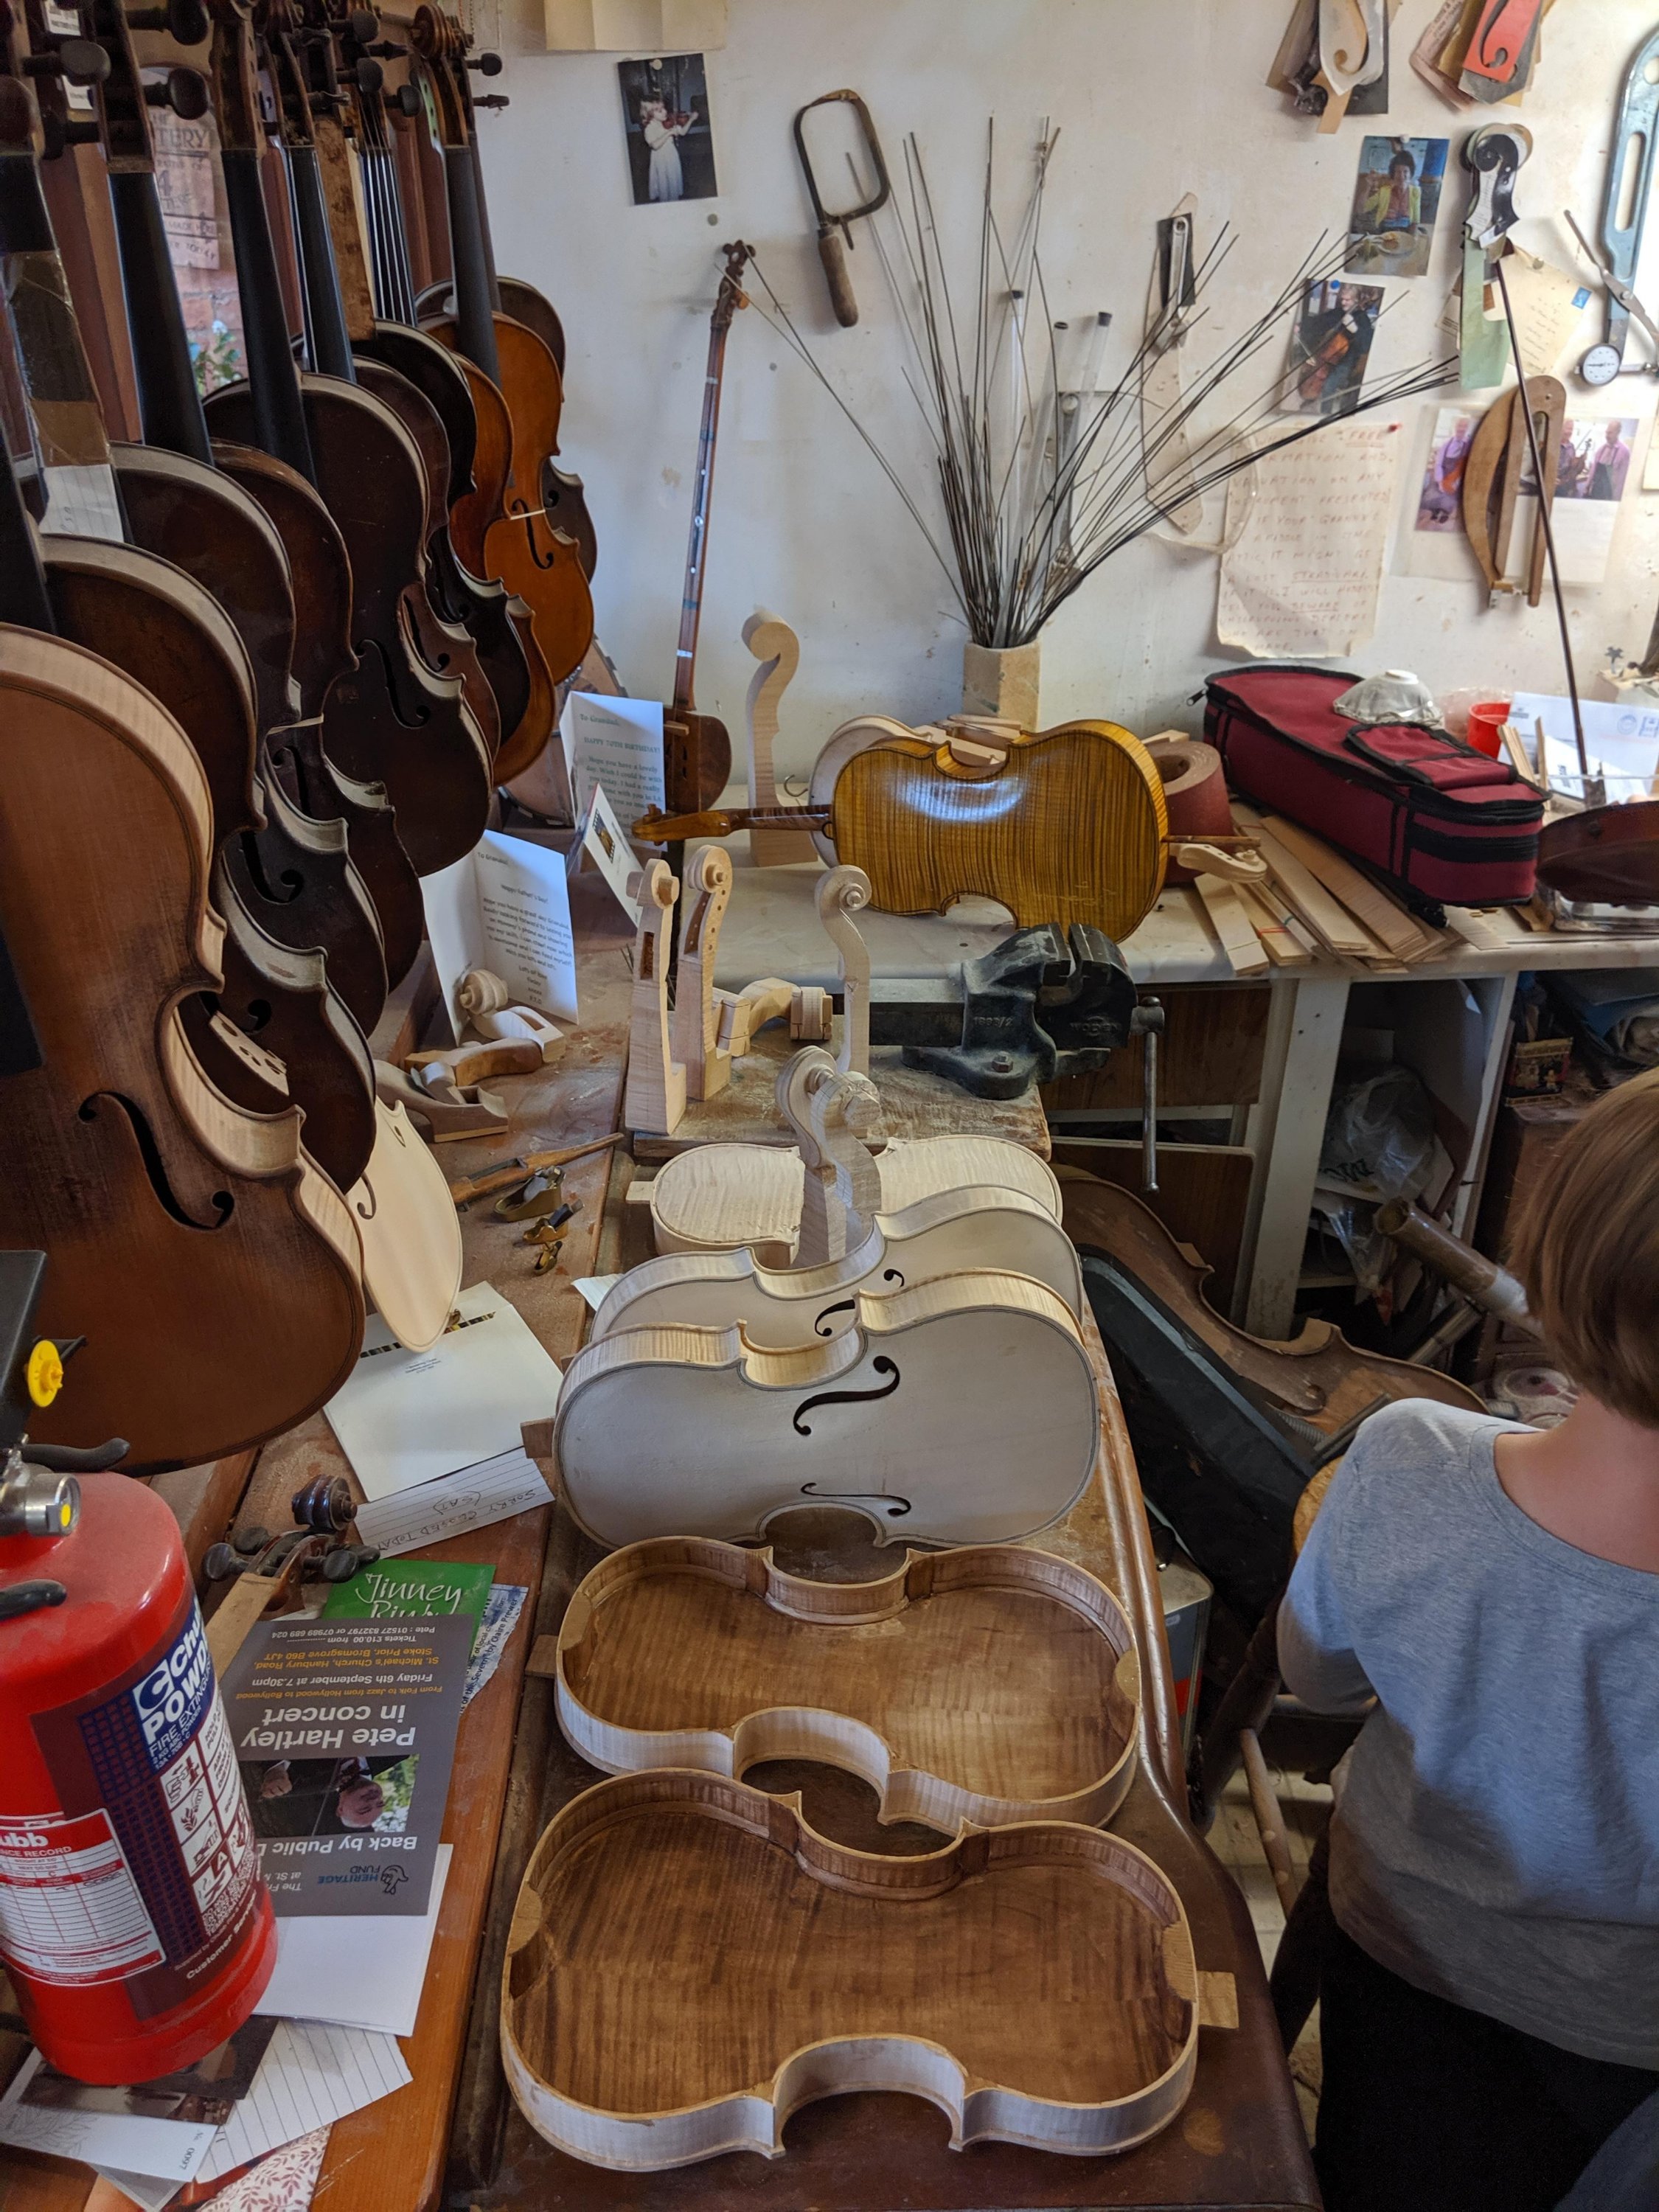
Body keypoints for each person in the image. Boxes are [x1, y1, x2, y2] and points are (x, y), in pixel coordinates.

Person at [1280, 1070, 1659, 2212]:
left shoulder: (1408, 1457)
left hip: (1401, 1947)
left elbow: (1314, 1682)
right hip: (1627, 2044)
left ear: (1556, 1253)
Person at [1419, 414, 1473, 525]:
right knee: (1433, 496)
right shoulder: (1446, 444)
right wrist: (1440, 481)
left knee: (1449, 500)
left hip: (1458, 479)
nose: (1461, 429)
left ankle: (1444, 514)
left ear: (1467, 428)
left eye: (1464, 426)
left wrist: (1458, 482)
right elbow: (1438, 463)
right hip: (1443, 476)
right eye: (1459, 425)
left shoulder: (1470, 445)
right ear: (1455, 426)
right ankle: (1435, 512)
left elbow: (1470, 465)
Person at [641, 97, 692, 204]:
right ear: (650, 114)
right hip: (661, 160)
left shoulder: (668, 122)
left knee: (673, 180)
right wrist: (668, 133)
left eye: (663, 108)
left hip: (671, 156)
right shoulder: (650, 128)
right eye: (659, 111)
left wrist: (691, 120)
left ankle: (674, 202)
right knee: (663, 183)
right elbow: (655, 145)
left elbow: (682, 132)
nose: (665, 112)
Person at [1586, 422, 1631, 501]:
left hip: (1610, 495)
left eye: (1610, 433)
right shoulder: (1601, 450)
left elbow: (1622, 479)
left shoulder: (1624, 452)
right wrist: (1587, 486)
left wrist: (1616, 500)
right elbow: (1593, 470)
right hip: (1596, 492)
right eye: (1607, 433)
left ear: (1618, 432)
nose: (1607, 436)